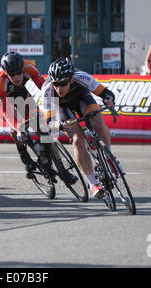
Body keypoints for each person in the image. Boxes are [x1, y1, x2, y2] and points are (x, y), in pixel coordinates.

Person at [0, 52, 77, 185]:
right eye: (12, 75)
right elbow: (7, 109)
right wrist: (19, 128)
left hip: (20, 93)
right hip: (0, 100)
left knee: (42, 128)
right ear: (6, 73)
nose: (17, 77)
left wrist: (54, 109)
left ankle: (62, 169)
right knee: (17, 127)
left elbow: (45, 87)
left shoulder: (29, 67)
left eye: (19, 73)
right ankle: (24, 155)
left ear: (22, 69)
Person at [40, 57, 116, 199]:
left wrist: (109, 100)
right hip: (62, 108)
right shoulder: (47, 89)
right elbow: (49, 120)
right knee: (77, 140)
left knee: (98, 123)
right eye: (56, 84)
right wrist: (59, 125)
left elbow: (105, 92)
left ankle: (109, 156)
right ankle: (93, 183)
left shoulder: (80, 76)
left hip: (81, 98)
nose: (59, 88)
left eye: (62, 84)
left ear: (71, 80)